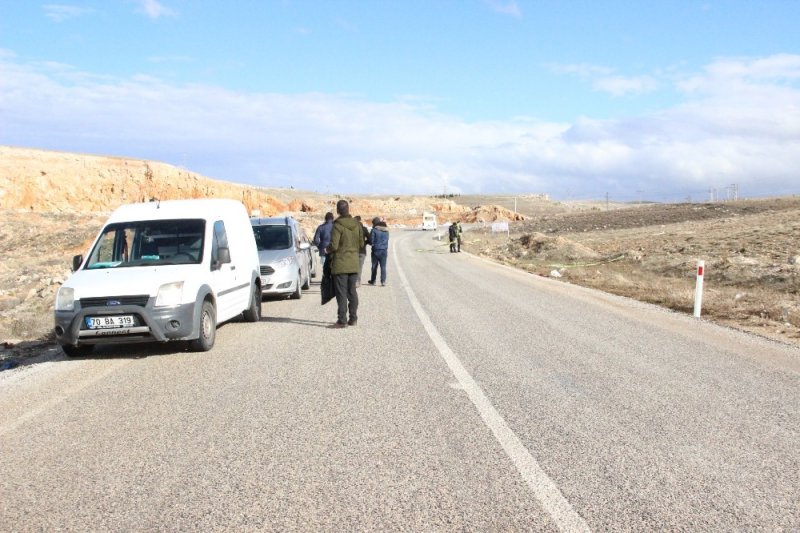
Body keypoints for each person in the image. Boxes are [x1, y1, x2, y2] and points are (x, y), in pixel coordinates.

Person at [327, 200, 361, 328]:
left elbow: (334, 245)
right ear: (348, 209)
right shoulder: (357, 224)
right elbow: (361, 243)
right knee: (352, 292)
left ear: (337, 210)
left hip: (341, 264)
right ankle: (353, 319)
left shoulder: (337, 225)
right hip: (353, 263)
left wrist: (327, 249)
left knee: (341, 293)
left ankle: (342, 320)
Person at [368, 217, 389, 286]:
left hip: (376, 250)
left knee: (374, 266)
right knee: (383, 266)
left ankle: (373, 281)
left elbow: (371, 241)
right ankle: (383, 281)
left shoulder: (374, 230)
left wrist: (371, 243)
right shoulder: (386, 230)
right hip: (384, 250)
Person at [354, 215, 370, 287]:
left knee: (353, 266)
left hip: (353, 251)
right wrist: (365, 242)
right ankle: (357, 281)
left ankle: (352, 281)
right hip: (362, 251)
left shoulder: (352, 229)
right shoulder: (364, 229)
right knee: (359, 267)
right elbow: (370, 240)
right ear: (360, 221)